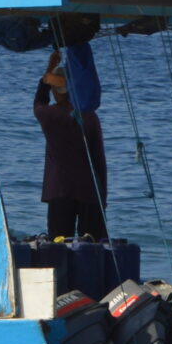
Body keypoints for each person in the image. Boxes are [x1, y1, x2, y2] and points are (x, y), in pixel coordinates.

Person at [35, 55, 109, 239]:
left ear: (55, 90)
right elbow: (99, 161)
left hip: (59, 190)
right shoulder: (89, 116)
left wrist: (49, 69)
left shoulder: (49, 116)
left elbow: (38, 101)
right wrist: (103, 198)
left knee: (59, 245)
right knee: (91, 247)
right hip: (90, 192)